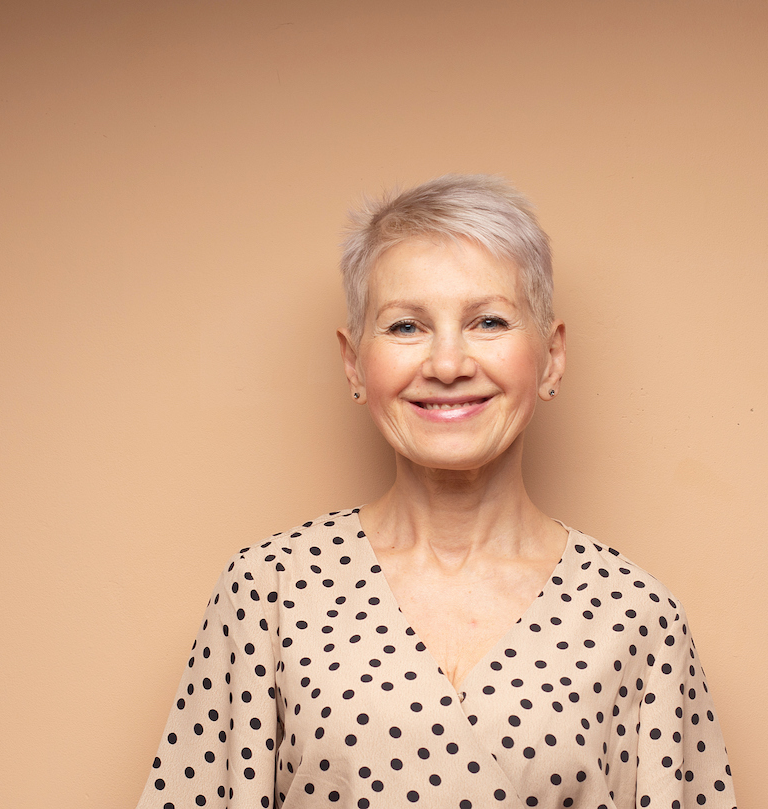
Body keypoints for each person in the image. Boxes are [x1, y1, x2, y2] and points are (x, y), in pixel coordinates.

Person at [135, 175, 737, 809]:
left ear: (553, 357)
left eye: (490, 321)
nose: (448, 365)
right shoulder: (268, 592)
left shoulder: (636, 616)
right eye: (405, 327)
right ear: (353, 363)